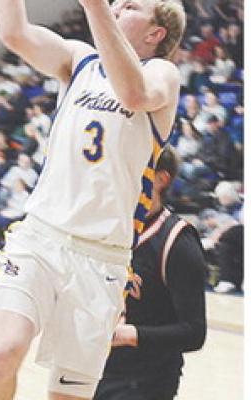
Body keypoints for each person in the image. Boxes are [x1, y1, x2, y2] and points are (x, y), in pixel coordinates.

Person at [0, 1, 186, 399]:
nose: (118, 5)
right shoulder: (79, 59)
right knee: (2, 351)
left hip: (101, 257)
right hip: (40, 238)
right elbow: (14, 33)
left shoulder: (162, 73)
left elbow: (134, 95)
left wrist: (94, 7)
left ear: (155, 34)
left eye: (132, 4)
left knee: (67, 395)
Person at [94, 146, 206, 400]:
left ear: (160, 179)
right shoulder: (103, 227)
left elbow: (194, 332)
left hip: (144, 381)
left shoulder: (177, 241)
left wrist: (129, 334)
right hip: (93, 368)